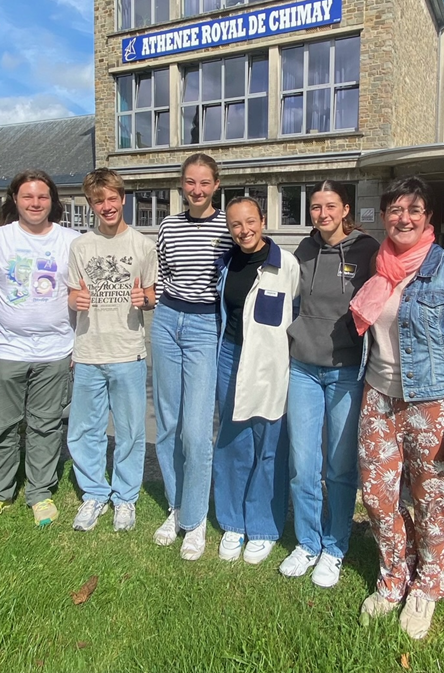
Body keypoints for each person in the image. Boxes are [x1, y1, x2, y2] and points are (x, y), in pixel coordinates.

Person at [350, 176, 444, 639]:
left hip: (432, 403)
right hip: (379, 396)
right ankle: (394, 575)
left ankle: (427, 585)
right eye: (395, 209)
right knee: (376, 495)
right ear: (385, 215)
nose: (403, 218)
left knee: (433, 501)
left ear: (428, 217)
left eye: (414, 209)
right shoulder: (378, 266)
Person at [279, 181, 379, 587]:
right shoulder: (303, 251)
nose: (322, 213)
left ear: (345, 209)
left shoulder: (366, 250)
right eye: (316, 207)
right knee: (303, 465)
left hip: (346, 372)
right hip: (302, 368)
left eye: (330, 206)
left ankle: (335, 547)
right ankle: (307, 541)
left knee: (339, 467)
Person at [0, 170, 79, 528]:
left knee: (46, 425)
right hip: (5, 349)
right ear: (14, 199)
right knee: (0, 425)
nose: (35, 203)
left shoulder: (71, 241)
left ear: (52, 201)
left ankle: (40, 492)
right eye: (28, 197)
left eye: (42, 197)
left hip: (56, 350)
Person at [150, 153, 233, 559]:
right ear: (181, 184)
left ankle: (196, 519)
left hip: (203, 326)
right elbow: (163, 271)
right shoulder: (168, 225)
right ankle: (177, 504)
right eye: (189, 182)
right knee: (167, 423)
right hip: (167, 320)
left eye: (204, 182)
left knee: (197, 431)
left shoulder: (226, 227)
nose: (196, 190)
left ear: (216, 184)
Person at [66, 169, 157, 532]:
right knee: (84, 429)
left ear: (122, 199)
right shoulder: (80, 247)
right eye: (98, 201)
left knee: (131, 430)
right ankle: (93, 494)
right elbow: (71, 294)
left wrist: (144, 298)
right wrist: (76, 299)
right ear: (91, 205)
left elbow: (151, 295)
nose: (107, 206)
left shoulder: (142, 246)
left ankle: (124, 498)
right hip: (88, 350)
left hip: (128, 351)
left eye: (112, 198)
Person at [213, 196, 299, 565]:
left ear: (263, 221)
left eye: (250, 221)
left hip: (268, 363)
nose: (244, 230)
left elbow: (295, 315)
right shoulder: (225, 262)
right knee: (233, 441)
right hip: (230, 357)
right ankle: (233, 521)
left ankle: (262, 526)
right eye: (235, 224)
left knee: (269, 443)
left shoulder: (285, 265)